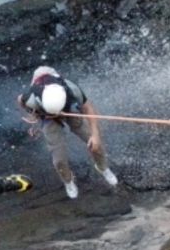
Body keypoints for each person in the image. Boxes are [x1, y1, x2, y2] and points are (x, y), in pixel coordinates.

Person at [17, 65, 118, 199]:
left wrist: (95, 135)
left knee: (94, 142)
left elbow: (89, 110)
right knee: (59, 159)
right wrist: (32, 115)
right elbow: (20, 101)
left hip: (69, 110)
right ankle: (68, 180)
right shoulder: (30, 97)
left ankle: (103, 167)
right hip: (47, 116)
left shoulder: (72, 90)